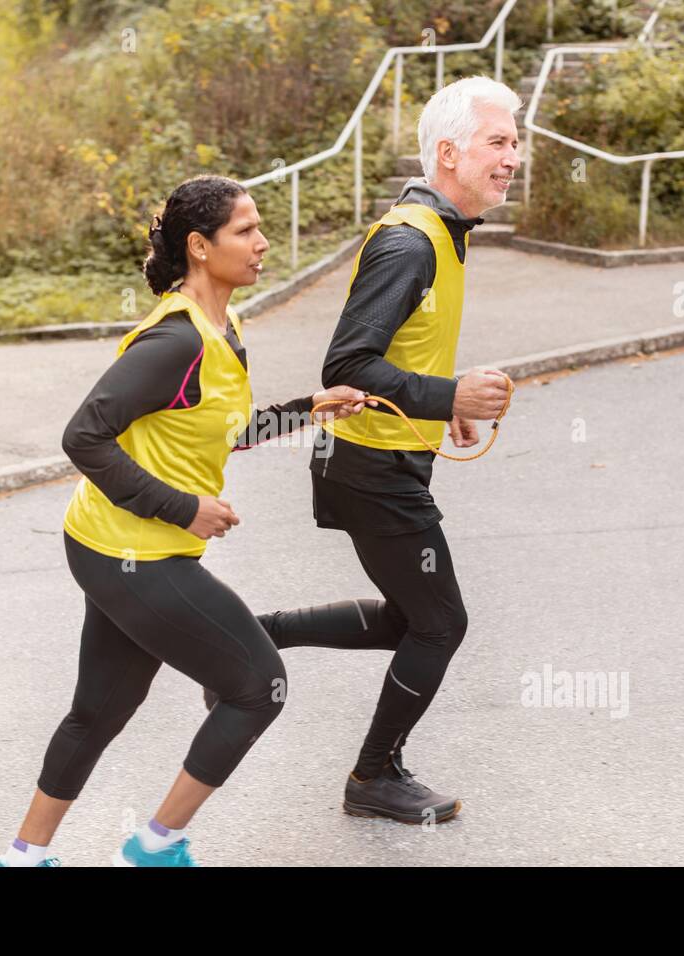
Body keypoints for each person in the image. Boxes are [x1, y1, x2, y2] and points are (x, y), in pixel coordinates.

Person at [0, 174, 372, 867]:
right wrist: (183, 508)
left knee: (100, 711)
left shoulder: (225, 328)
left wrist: (310, 407)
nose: (263, 243)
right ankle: (152, 848)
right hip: (133, 552)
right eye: (245, 231)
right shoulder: (177, 341)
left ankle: (24, 857)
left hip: (112, 544)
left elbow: (223, 427)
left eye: (259, 228)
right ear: (200, 247)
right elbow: (84, 436)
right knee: (258, 686)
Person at [204, 76, 519, 825]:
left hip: (385, 457)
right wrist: (449, 396)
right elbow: (346, 366)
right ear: (449, 153)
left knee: (411, 619)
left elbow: (397, 351)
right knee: (441, 624)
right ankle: (372, 777)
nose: (515, 156)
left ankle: (253, 637)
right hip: (369, 470)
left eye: (516, 141)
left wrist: (440, 405)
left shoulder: (442, 232)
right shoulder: (411, 241)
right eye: (499, 141)